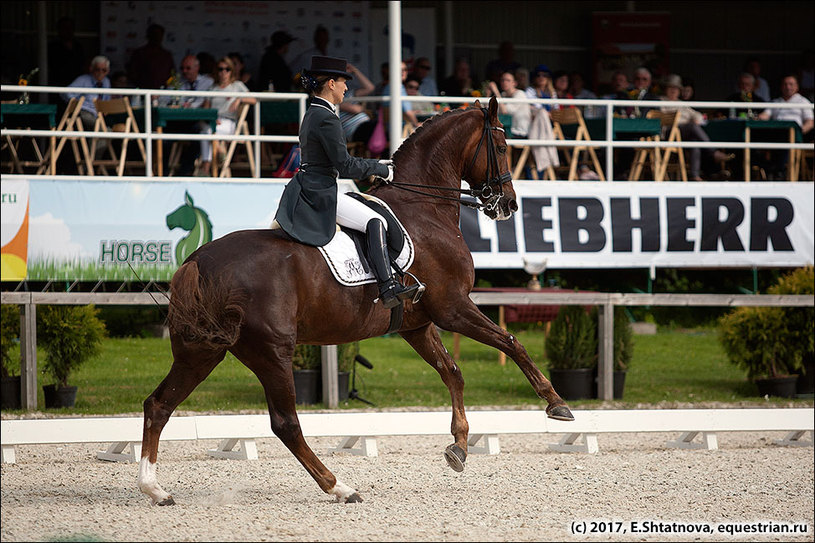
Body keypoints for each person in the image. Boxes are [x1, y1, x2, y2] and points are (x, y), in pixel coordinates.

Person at [274, 56, 419, 309]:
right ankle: (388, 287)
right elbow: (345, 165)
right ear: (331, 83)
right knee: (376, 221)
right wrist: (380, 168)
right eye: (343, 82)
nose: (346, 88)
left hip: (310, 186)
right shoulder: (327, 118)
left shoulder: (314, 112)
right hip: (320, 193)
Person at [659, 74, 733, 181]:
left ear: (679, 90)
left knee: (694, 141)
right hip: (669, 133)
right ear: (665, 89)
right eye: (670, 87)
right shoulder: (660, 101)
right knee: (692, 127)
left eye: (676, 88)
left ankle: (695, 175)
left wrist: (695, 119)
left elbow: (697, 115)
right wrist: (684, 121)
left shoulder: (681, 104)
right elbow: (664, 118)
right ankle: (713, 152)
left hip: (683, 134)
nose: (673, 90)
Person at [198, 57, 257, 174]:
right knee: (206, 131)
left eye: (227, 69)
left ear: (232, 71)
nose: (223, 72)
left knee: (207, 132)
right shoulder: (213, 88)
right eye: (220, 69)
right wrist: (211, 118)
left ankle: (206, 168)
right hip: (213, 121)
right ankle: (219, 151)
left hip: (228, 121)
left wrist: (239, 99)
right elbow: (205, 108)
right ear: (217, 71)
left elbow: (253, 100)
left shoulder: (237, 86)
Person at [162, 55, 214, 176]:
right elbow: (165, 97)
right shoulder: (178, 81)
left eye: (188, 68)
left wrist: (193, 105)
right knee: (163, 138)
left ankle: (183, 173)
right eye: (182, 68)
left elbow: (206, 102)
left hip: (196, 122)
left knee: (199, 138)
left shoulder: (208, 82)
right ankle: (163, 173)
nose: (184, 71)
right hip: (178, 121)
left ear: (197, 68)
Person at [758, 74, 814, 178]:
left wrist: (799, 133)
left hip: (793, 137)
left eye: (791, 84)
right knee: (756, 140)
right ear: (781, 86)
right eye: (785, 84)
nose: (788, 87)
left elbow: (810, 122)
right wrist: (757, 117)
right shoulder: (776, 102)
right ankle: (768, 169)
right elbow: (765, 115)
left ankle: (780, 171)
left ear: (797, 86)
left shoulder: (803, 102)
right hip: (774, 135)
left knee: (786, 140)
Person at [61, 55, 111, 130]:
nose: (101, 72)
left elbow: (107, 100)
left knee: (113, 125)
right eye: (97, 69)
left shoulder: (106, 81)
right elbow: (66, 93)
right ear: (91, 69)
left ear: (108, 71)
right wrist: (77, 103)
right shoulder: (83, 80)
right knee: (101, 129)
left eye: (104, 70)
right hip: (84, 112)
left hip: (100, 114)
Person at [47, 17, 86, 104]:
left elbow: (82, 64)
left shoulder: (78, 47)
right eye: (64, 28)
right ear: (59, 30)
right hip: (57, 84)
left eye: (70, 28)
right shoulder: (53, 47)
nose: (67, 31)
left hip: (76, 84)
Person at [126, 23, 175, 90]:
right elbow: (133, 74)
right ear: (148, 36)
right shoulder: (140, 53)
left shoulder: (167, 55)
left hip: (163, 93)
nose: (157, 37)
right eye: (154, 35)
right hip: (143, 92)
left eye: (159, 35)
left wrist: (166, 86)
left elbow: (172, 75)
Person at [338, 63, 378, 144]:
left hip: (366, 125)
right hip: (355, 131)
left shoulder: (349, 94)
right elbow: (355, 109)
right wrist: (362, 109)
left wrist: (355, 71)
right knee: (380, 128)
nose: (345, 86)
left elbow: (370, 88)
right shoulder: (334, 100)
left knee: (383, 127)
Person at [487, 71, 530, 138]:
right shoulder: (503, 95)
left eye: (508, 80)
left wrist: (496, 91)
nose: (504, 82)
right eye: (502, 80)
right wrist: (488, 94)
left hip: (518, 132)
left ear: (514, 83)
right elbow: (491, 110)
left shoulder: (520, 94)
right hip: (505, 130)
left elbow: (505, 111)